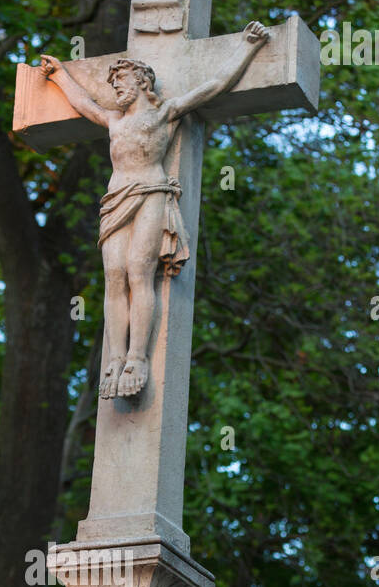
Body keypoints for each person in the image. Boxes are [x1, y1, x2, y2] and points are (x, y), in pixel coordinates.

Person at [40, 22, 269, 397]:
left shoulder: (165, 113)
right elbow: (84, 104)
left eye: (122, 81)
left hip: (151, 192)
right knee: (114, 275)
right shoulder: (114, 120)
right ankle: (113, 360)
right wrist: (60, 75)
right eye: (114, 83)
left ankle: (137, 357)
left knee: (137, 271)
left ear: (142, 83)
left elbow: (214, 86)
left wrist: (247, 46)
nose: (116, 87)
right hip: (116, 200)